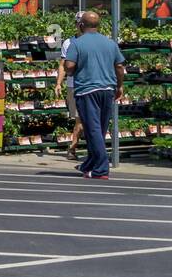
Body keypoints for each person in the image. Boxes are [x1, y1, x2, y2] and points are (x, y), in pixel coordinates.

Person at [64, 10, 125, 180]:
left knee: (93, 129)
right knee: (100, 129)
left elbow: (69, 66)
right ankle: (90, 163)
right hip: (108, 90)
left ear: (81, 25)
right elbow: (119, 67)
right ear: (98, 25)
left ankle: (101, 169)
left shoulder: (77, 43)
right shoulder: (110, 43)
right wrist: (119, 86)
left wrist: (73, 70)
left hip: (87, 90)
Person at [53, 24, 84, 160]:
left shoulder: (95, 41)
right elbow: (63, 65)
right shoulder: (69, 42)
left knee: (86, 120)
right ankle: (73, 148)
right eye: (80, 23)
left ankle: (73, 148)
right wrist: (59, 83)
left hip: (90, 85)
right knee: (79, 119)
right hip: (74, 85)